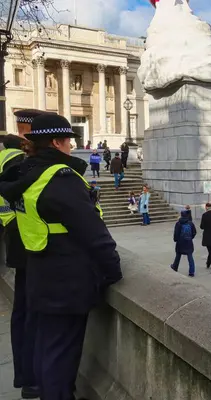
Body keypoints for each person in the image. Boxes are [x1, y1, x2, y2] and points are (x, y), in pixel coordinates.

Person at [0, 114, 122, 399]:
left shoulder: (24, 173)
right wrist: (113, 269)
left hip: (40, 272)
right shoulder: (59, 178)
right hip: (67, 280)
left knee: (47, 347)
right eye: (69, 141)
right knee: (62, 356)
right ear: (57, 142)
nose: (71, 147)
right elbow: (92, 232)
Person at [0, 131, 35, 398]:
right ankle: (28, 377)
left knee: (22, 312)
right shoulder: (16, 161)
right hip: (21, 236)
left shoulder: (4, 157)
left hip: (12, 233)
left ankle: (26, 375)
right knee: (28, 312)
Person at [170, 208, 197, 277]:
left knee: (178, 255)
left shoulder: (178, 223)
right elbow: (194, 232)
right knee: (190, 257)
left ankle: (175, 267)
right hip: (188, 242)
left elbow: (176, 233)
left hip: (180, 242)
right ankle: (191, 271)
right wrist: (191, 238)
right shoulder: (190, 223)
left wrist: (175, 240)